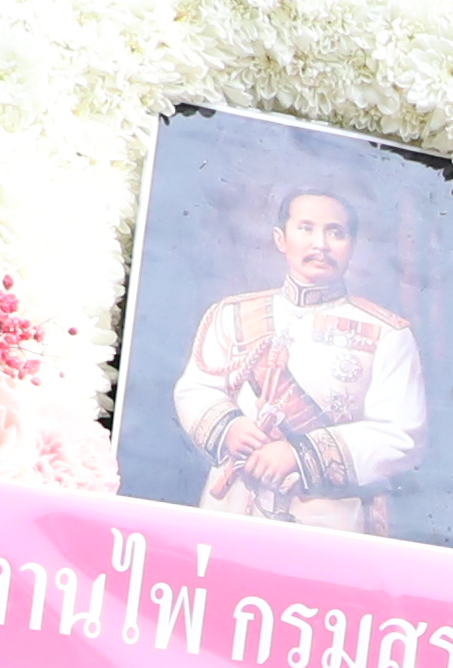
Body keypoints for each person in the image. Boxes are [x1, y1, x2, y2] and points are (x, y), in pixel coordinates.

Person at [166, 183, 429, 532]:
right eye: (306, 228)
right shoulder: (231, 314)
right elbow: (196, 389)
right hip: (231, 505)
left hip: (327, 517)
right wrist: (231, 427)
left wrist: (298, 455)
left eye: (334, 232)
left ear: (351, 246)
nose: (320, 244)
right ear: (280, 238)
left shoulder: (388, 334)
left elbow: (401, 435)